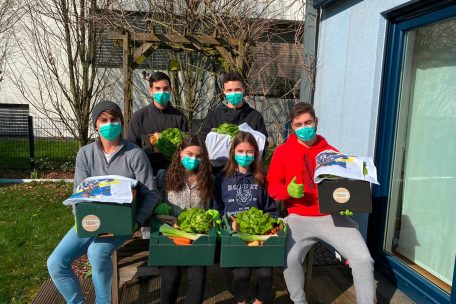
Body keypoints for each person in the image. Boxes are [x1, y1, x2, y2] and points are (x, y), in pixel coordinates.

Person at [47, 100, 160, 304]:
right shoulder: (85, 153)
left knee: (97, 252)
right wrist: (83, 220)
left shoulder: (134, 154)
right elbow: (78, 193)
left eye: (114, 120)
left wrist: (137, 221)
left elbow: (151, 193)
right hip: (90, 220)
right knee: (56, 263)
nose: (109, 124)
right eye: (103, 120)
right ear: (96, 125)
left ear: (122, 122)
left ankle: (103, 301)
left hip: (121, 221)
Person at [266, 102, 375, 304]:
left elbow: (342, 186)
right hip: (298, 217)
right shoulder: (282, 152)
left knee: (363, 260)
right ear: (292, 126)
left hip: (331, 216)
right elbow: (272, 186)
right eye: (298, 124)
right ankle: (299, 301)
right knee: (290, 261)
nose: (304, 127)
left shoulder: (331, 153)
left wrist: (347, 203)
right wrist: (287, 192)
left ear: (316, 122)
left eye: (308, 122)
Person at [212, 131, 278, 304]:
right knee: (242, 274)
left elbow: (271, 210)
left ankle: (258, 301)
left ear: (256, 153)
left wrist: (270, 229)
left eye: (249, 152)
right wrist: (225, 224)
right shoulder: (221, 179)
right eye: (240, 151)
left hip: (259, 238)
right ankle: (240, 301)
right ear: (233, 152)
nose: (245, 155)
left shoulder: (262, 179)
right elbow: (217, 210)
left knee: (266, 274)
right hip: (234, 239)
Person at [153, 134, 214, 304]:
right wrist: (158, 207)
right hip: (170, 238)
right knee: (170, 278)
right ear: (180, 152)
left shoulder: (208, 180)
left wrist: (212, 216)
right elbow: (153, 202)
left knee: (197, 277)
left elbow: (212, 209)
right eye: (189, 154)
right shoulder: (163, 177)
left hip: (196, 240)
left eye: (198, 156)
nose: (193, 159)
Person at [200, 71, 268, 174]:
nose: (233, 93)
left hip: (248, 173)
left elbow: (263, 145)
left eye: (237, 90)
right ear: (224, 91)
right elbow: (204, 142)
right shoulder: (214, 115)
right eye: (229, 90)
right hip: (220, 174)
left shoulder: (255, 116)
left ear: (243, 90)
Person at [127, 71, 189, 174]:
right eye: (157, 88)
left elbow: (187, 148)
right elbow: (131, 148)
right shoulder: (139, 117)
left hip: (174, 173)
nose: (162, 92)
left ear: (171, 90)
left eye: (165, 88)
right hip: (146, 173)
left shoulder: (180, 117)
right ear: (151, 90)